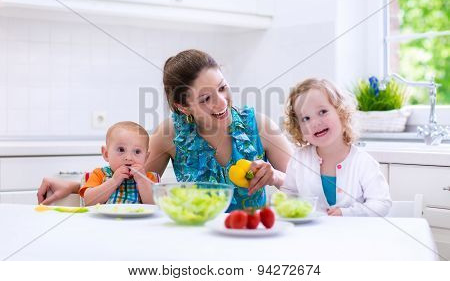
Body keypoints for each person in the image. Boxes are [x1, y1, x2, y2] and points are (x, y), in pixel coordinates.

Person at [37, 50, 293, 211]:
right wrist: (73, 187)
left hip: (251, 237)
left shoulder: (259, 126)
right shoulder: (170, 134)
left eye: (223, 88)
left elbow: (308, 187)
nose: (222, 102)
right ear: (182, 106)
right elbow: (130, 181)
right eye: (205, 98)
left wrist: (276, 178)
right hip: (193, 240)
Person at [282, 78, 391, 216]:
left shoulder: (363, 162)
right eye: (306, 118)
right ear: (298, 127)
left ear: (341, 113)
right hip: (311, 235)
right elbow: (289, 194)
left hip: (353, 235)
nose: (315, 122)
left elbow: (381, 204)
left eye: (322, 112)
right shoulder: (299, 159)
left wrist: (348, 213)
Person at [80, 121, 158, 206]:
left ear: (146, 158)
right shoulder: (99, 174)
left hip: (138, 219)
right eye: (121, 150)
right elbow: (89, 202)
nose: (129, 158)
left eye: (137, 151)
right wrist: (113, 181)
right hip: (105, 219)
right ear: (106, 154)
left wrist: (142, 181)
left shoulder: (149, 178)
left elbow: (155, 205)